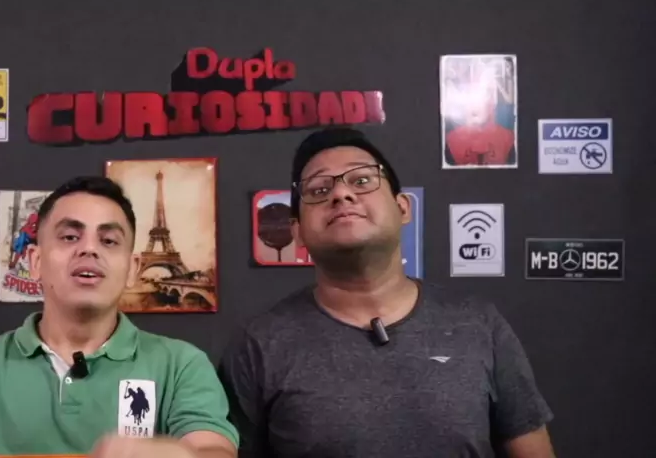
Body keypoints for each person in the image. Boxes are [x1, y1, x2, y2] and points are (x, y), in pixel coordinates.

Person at [217, 126, 555, 458]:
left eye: (362, 181)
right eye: (319, 190)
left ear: (403, 208)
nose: (341, 194)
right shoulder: (258, 345)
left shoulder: (478, 324)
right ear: (298, 232)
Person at [0, 176, 238, 458]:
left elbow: (214, 449)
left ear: (133, 269)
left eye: (109, 241)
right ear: (35, 261)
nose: (89, 248)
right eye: (70, 236)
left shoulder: (182, 365)